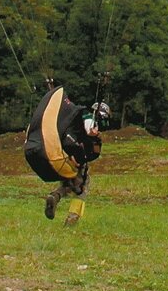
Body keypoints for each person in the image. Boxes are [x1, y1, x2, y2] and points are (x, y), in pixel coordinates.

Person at [23, 85, 111, 223]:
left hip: (60, 154)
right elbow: (90, 142)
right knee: (81, 187)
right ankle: (72, 218)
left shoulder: (74, 118)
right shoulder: (87, 118)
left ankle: (55, 196)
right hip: (69, 161)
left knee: (67, 185)